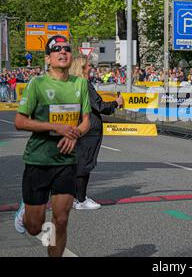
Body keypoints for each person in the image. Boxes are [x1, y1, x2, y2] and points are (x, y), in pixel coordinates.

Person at [13, 35, 91, 257]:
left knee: (62, 219)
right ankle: (24, 212)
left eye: (66, 49)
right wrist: (56, 127)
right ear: (48, 58)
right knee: (35, 227)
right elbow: (20, 122)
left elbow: (86, 121)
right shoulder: (37, 84)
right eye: (57, 49)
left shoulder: (81, 84)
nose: (63, 52)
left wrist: (74, 134)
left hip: (66, 160)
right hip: (39, 159)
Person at [69, 55, 124, 210]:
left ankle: (74, 197)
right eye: (87, 66)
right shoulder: (84, 84)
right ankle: (81, 200)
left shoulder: (71, 83)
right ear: (81, 69)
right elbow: (99, 106)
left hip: (77, 124)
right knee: (85, 163)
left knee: (77, 162)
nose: (90, 68)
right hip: (89, 128)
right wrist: (116, 103)